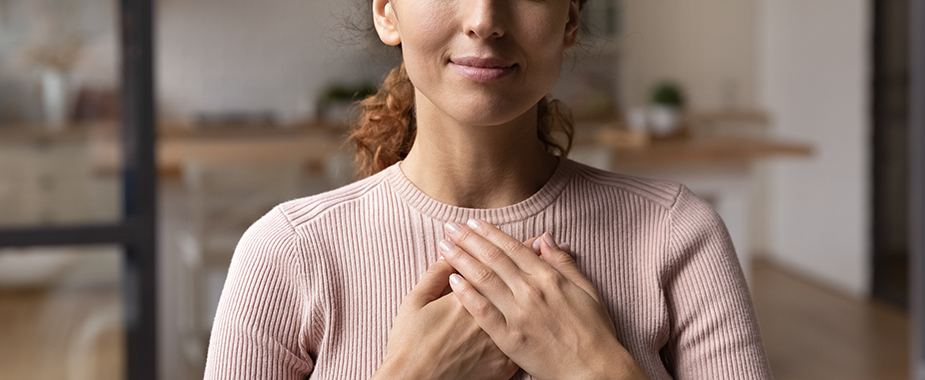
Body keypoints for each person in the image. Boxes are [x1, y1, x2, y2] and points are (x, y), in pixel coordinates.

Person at [204, 0, 773, 378]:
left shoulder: (678, 235)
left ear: (570, 17)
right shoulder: (287, 252)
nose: (484, 19)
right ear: (387, 11)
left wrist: (596, 367)